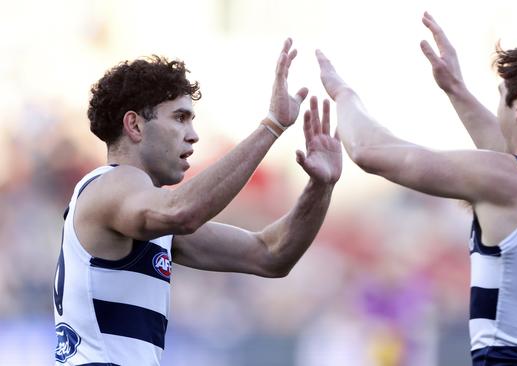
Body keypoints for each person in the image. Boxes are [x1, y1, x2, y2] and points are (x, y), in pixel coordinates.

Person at [316, 12, 517, 366]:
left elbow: (369, 151)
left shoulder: (509, 180)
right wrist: (456, 89)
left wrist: (344, 95)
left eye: (502, 96)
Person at [53, 38, 342, 366]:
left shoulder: (151, 217)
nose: (193, 134)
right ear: (134, 125)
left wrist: (321, 186)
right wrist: (271, 126)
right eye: (179, 118)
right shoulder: (113, 182)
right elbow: (183, 211)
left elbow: (271, 256)